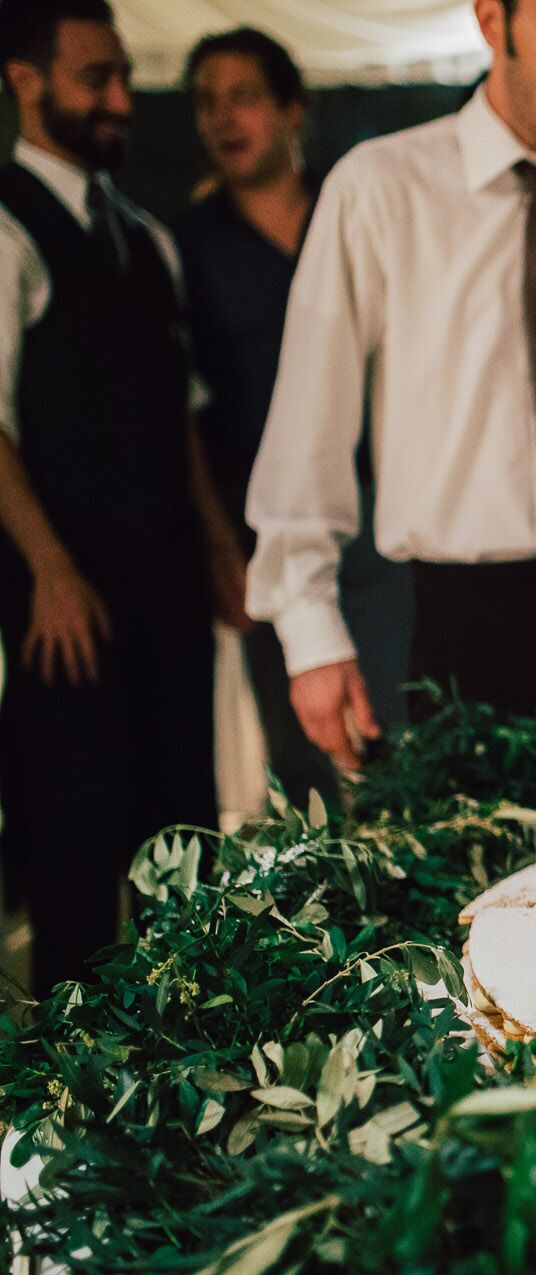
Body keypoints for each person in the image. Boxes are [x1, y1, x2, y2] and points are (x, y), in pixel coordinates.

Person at [245, 0, 536, 771]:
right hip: (470, 621)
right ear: (491, 21)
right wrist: (310, 632)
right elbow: (311, 420)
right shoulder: (380, 188)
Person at [0, 0, 247, 994]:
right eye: (93, 77)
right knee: (76, 849)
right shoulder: (8, 228)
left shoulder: (148, 237)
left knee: (185, 837)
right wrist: (50, 569)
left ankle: (194, 1072)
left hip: (169, 588)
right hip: (66, 604)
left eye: (120, 78)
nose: (117, 99)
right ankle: (71, 1103)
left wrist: (221, 545)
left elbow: (178, 411)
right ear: (25, 81)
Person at [175, 26, 412, 810]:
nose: (223, 119)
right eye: (207, 103)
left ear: (292, 109)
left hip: (385, 510)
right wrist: (219, 547)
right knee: (305, 757)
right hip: (261, 530)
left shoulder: (356, 211)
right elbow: (187, 414)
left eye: (242, 97)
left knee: (405, 726)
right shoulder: (188, 245)